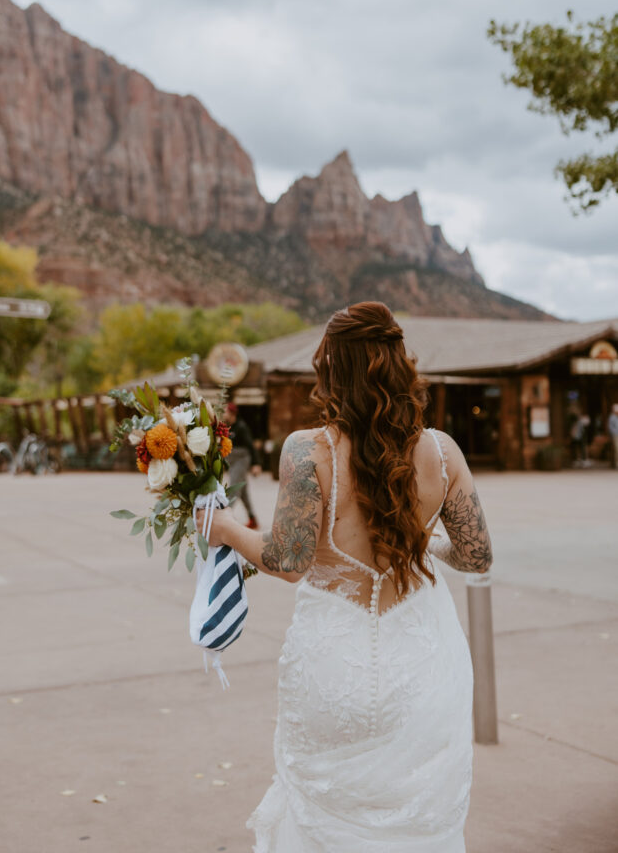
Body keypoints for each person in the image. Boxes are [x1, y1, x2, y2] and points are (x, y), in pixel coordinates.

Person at [198, 302, 493, 852]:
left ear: (330, 369)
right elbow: (477, 556)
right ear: (399, 364)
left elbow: (287, 560)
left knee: (323, 822)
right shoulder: (442, 452)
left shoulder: (307, 452)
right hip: (424, 666)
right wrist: (423, 537)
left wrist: (224, 528)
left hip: (332, 668)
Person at [224, 402, 262, 529]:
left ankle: (225, 519)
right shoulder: (228, 427)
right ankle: (253, 518)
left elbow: (251, 446)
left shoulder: (241, 427)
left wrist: (256, 464)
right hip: (232, 462)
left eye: (225, 412)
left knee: (234, 488)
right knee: (243, 491)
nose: (223, 414)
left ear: (232, 414)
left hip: (241, 460)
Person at [608, 404, 618, 469]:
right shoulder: (612, 417)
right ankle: (616, 463)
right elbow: (610, 427)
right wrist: (614, 433)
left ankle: (613, 463)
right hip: (615, 435)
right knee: (616, 449)